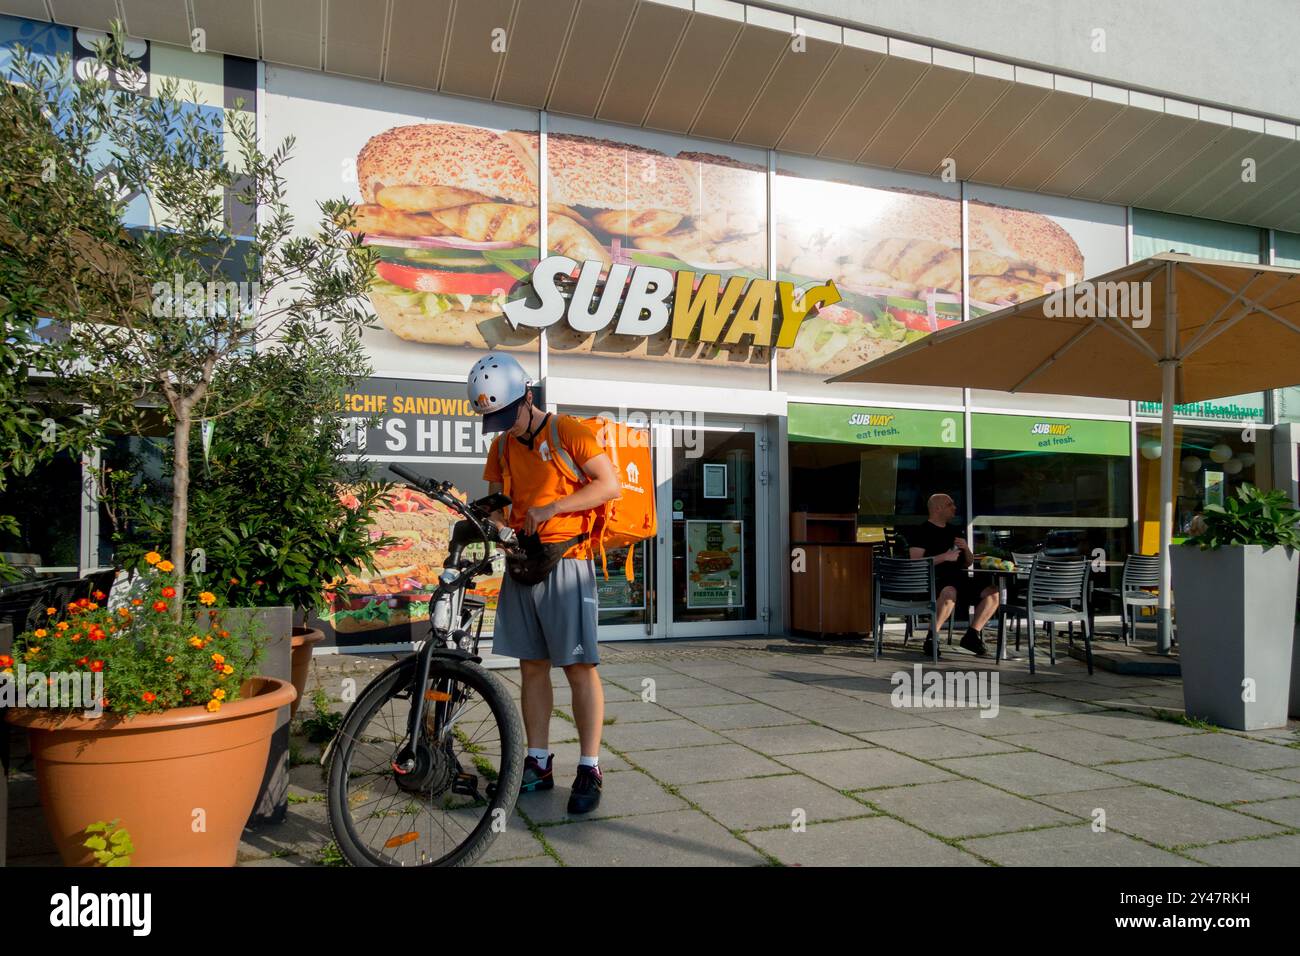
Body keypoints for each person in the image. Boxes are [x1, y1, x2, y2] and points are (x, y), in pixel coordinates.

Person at [469, 353, 621, 814]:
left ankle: (589, 767)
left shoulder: (568, 432)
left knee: (578, 667)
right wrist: (498, 523)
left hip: (567, 561)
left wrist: (551, 510)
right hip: (522, 562)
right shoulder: (501, 446)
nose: (502, 427)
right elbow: (500, 500)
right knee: (532, 666)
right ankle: (538, 762)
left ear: (527, 398)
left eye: (506, 415)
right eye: (492, 419)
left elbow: (608, 485)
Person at [907, 493, 1000, 657]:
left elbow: (968, 562)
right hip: (934, 580)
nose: (954, 508)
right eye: (950, 504)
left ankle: (972, 635)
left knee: (992, 593)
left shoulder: (954, 531)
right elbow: (915, 561)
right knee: (949, 592)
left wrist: (966, 548)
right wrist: (944, 557)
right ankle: (932, 638)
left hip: (959, 578)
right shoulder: (921, 531)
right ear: (937, 508)